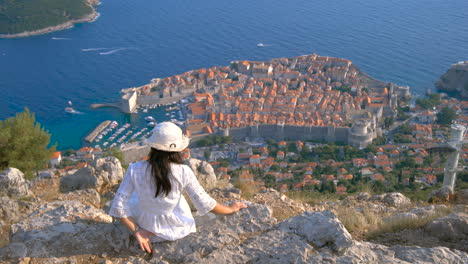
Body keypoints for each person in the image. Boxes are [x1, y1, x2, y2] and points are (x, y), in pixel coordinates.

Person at [108, 122, 247, 254]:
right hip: (176, 229)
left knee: (135, 196)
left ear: (153, 147)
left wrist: (137, 230)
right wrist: (230, 209)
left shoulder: (134, 169)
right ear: (177, 150)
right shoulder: (183, 171)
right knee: (178, 197)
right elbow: (206, 204)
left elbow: (117, 208)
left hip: (145, 226)